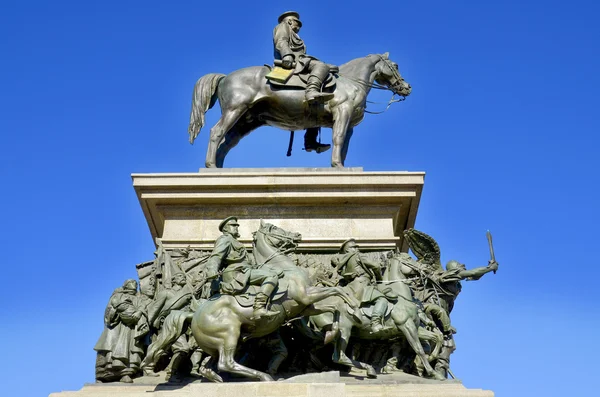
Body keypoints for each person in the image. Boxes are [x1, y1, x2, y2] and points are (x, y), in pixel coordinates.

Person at [273, 11, 333, 153]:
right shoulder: (283, 27)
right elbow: (281, 41)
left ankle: (310, 141)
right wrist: (287, 55)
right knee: (321, 66)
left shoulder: (297, 36)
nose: (298, 26)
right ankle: (311, 90)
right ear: (289, 21)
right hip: (291, 63)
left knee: (327, 72)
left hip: (301, 62)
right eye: (296, 23)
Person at [205, 216, 281, 319]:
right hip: (237, 273)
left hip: (245, 270)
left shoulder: (236, 242)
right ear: (226, 229)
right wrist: (211, 270)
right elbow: (216, 256)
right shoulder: (225, 239)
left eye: (237, 225)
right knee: (271, 276)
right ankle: (259, 308)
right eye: (233, 225)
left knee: (275, 272)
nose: (236, 227)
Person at [332, 239, 396, 333]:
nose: (357, 248)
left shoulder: (344, 262)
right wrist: (379, 279)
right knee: (382, 299)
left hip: (351, 286)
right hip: (362, 285)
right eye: (354, 247)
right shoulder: (358, 255)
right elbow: (375, 266)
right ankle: (375, 324)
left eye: (356, 246)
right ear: (347, 250)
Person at [94, 279, 149, 383]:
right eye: (132, 283)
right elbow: (110, 312)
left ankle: (127, 373)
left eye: (136, 283)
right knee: (111, 351)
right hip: (118, 327)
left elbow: (143, 308)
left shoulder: (139, 299)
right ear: (126, 285)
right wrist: (127, 314)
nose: (134, 285)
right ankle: (103, 376)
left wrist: (139, 313)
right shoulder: (118, 296)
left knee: (132, 350)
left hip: (133, 328)